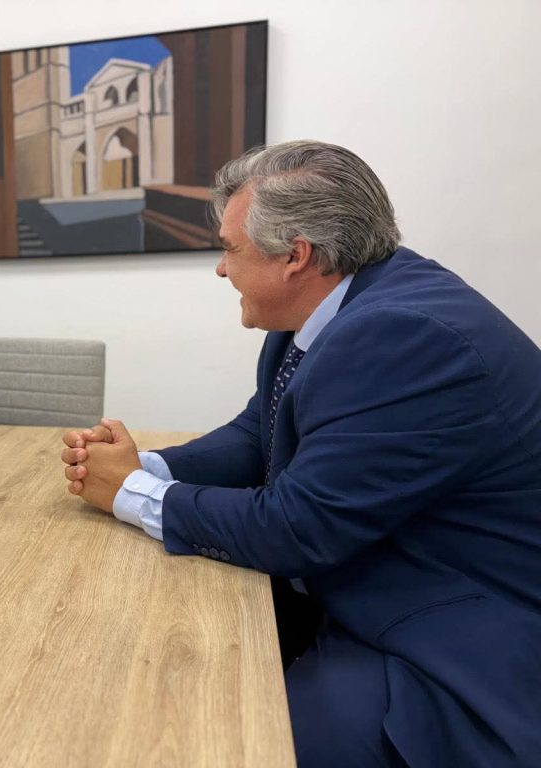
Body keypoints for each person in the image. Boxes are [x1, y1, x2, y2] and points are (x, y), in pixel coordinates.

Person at [60, 141, 541, 767]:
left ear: (296, 256)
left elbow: (295, 528)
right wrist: (147, 467)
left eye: (231, 249)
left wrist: (129, 493)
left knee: (226, 735)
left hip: (454, 624)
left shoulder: (403, 335)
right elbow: (259, 432)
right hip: (369, 568)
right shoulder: (338, 305)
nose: (221, 270)